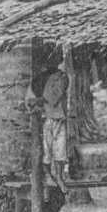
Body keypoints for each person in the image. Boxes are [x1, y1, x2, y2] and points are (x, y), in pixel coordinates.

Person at [25, 59, 71, 189]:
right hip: (45, 119)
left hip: (58, 118)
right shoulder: (40, 79)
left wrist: (39, 100)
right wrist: (36, 102)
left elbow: (54, 97)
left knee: (60, 148)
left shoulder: (62, 77)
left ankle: (59, 177)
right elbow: (29, 99)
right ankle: (47, 175)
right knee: (46, 149)